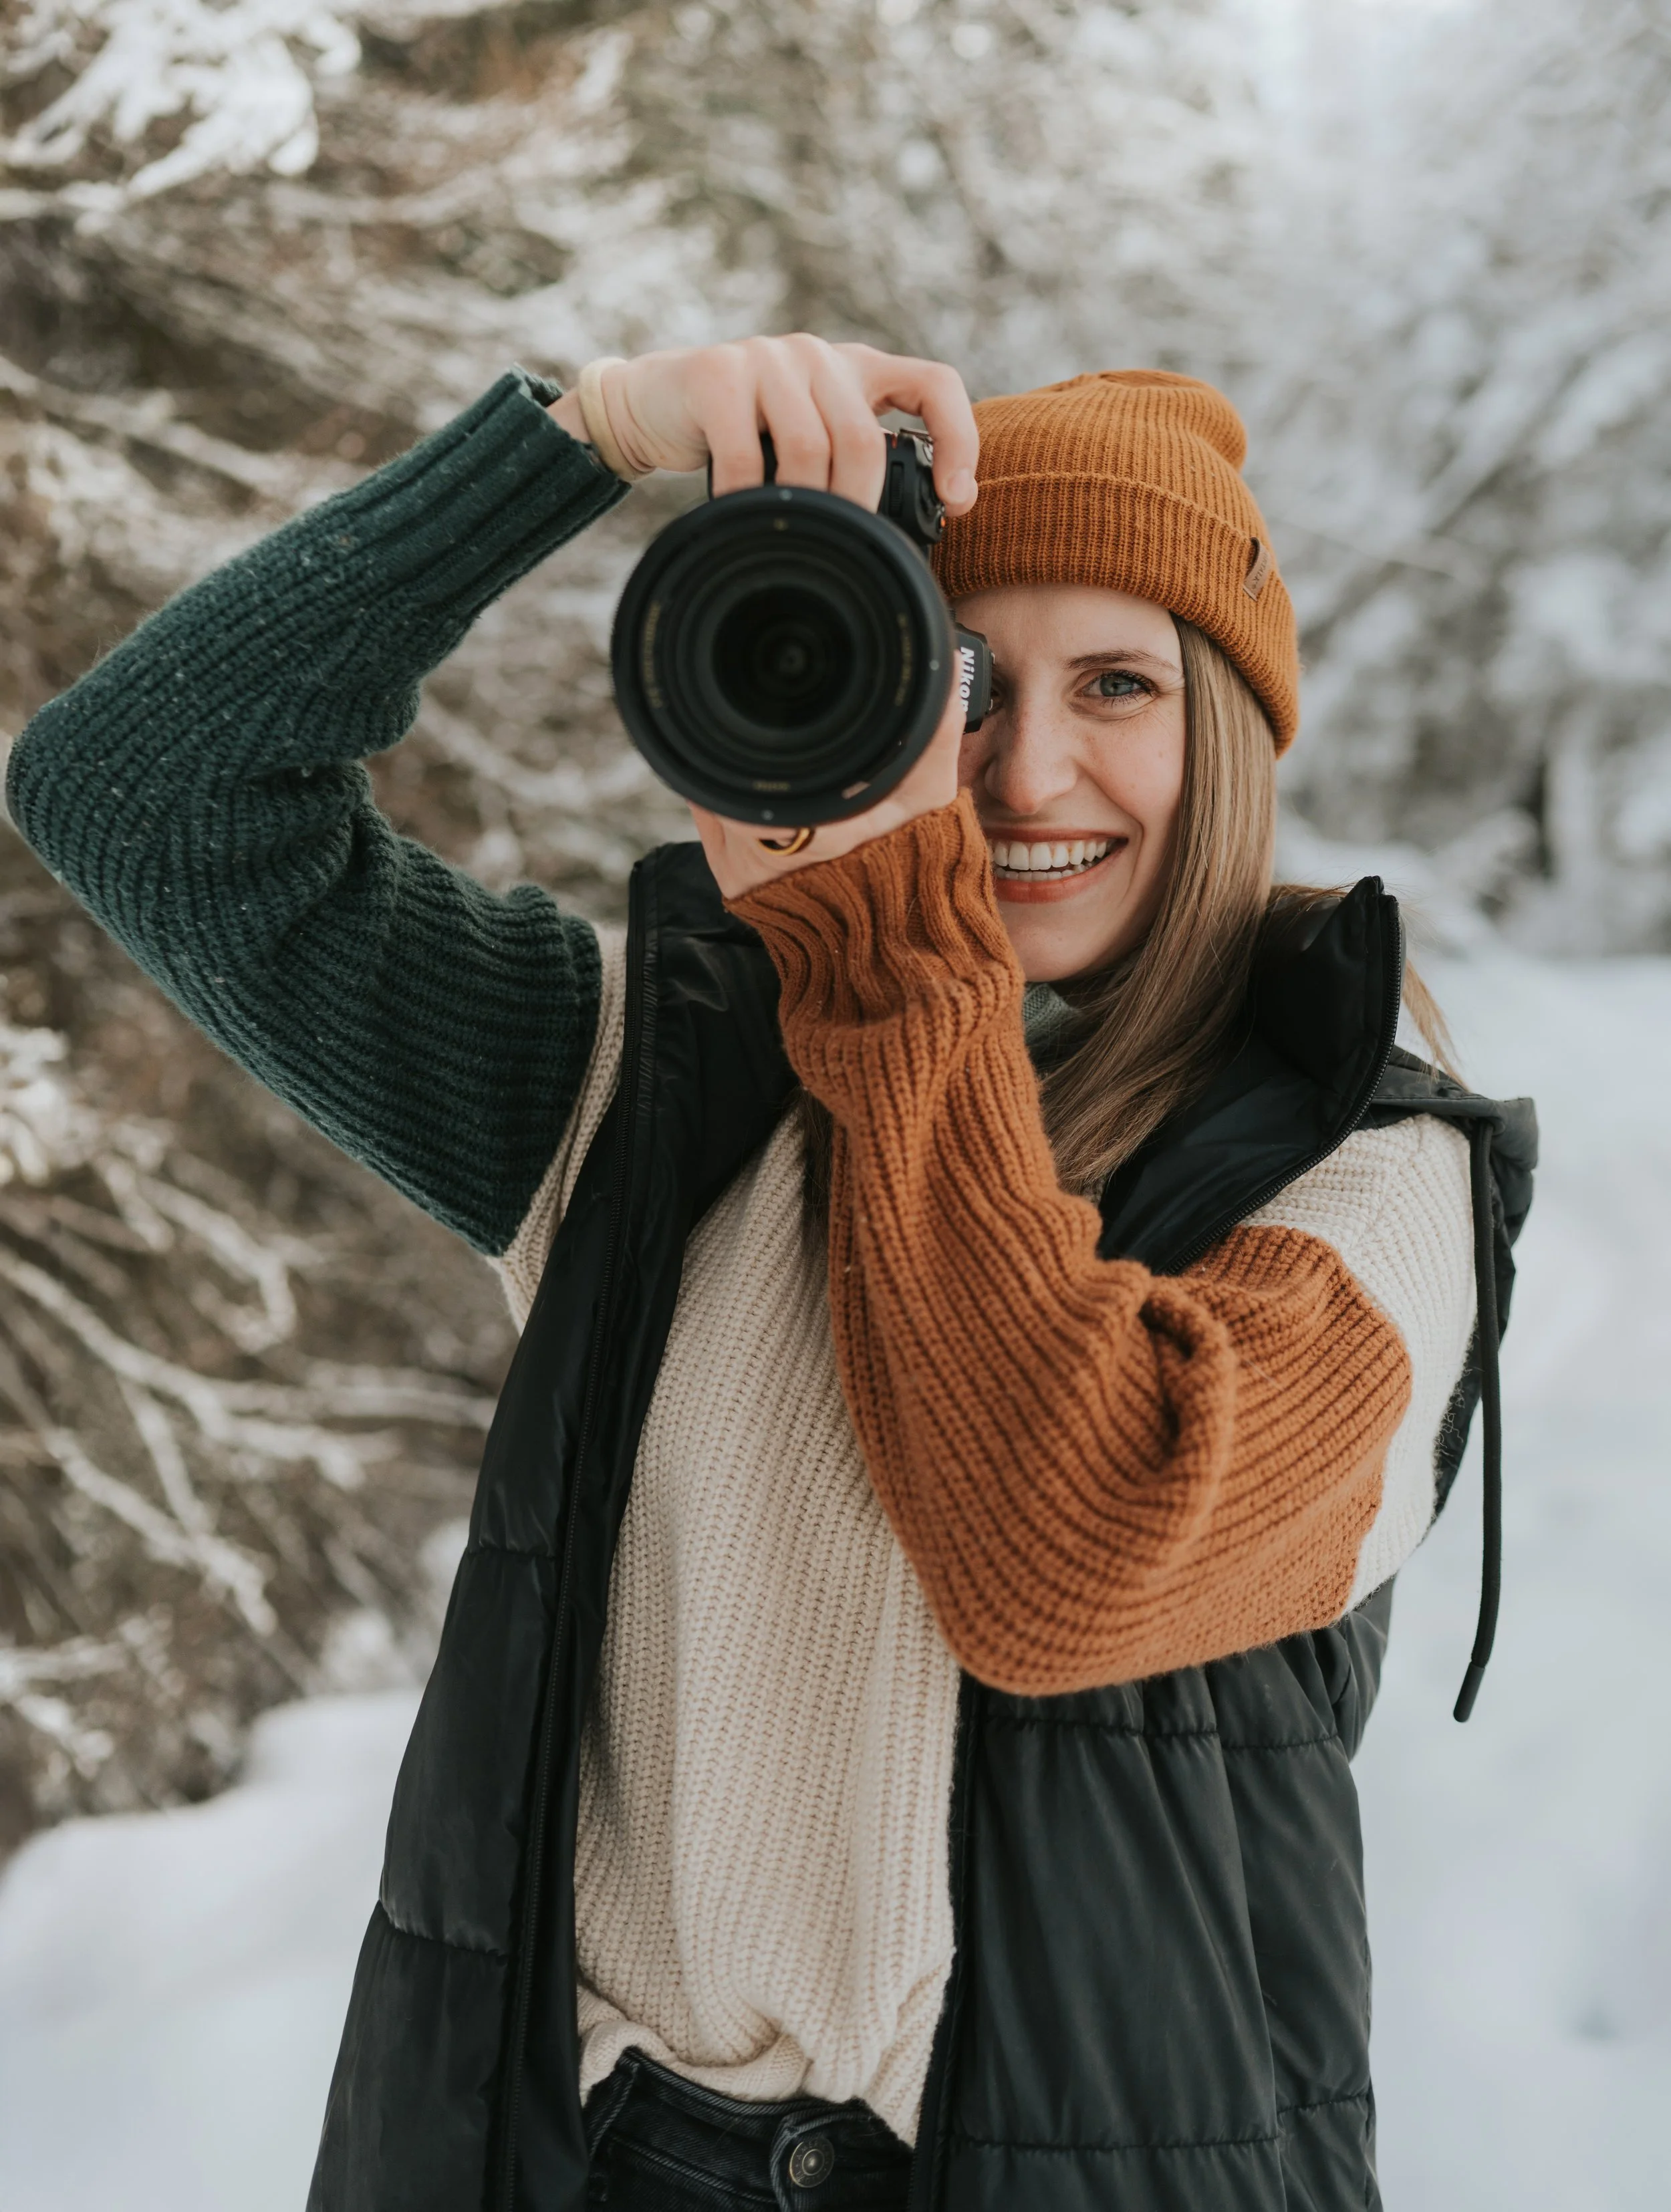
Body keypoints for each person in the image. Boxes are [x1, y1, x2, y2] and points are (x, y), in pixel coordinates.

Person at [6, 337, 1531, 2212]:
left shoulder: (1373, 1167)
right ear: (869, 684)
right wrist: (576, 439)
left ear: (1221, 736)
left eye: (1118, 683)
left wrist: (896, 957)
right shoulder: (660, 1076)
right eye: (964, 680)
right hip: (600, 2157)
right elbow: (139, 791)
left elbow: (1069, 1548)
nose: (1028, 766)